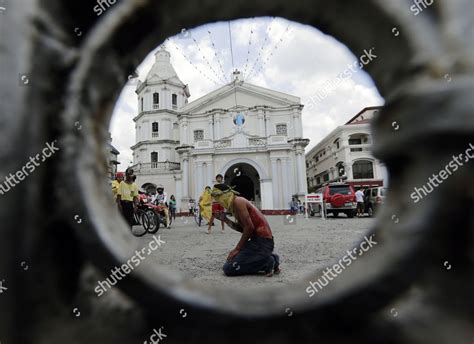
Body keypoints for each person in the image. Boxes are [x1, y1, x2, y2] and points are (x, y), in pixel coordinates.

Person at [211, 184, 280, 277]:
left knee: (228, 268)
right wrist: (225, 220)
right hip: (259, 242)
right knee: (233, 260)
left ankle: (267, 261)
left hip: (262, 243)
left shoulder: (238, 202)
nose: (218, 201)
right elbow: (244, 229)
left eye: (217, 198)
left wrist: (237, 249)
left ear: (224, 195)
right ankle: (272, 258)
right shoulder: (235, 203)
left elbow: (249, 228)